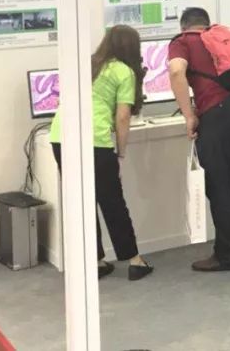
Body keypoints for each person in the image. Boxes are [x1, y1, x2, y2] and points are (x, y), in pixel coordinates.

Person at [49, 25, 153, 280]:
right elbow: (123, 117)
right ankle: (134, 260)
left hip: (61, 137)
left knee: (81, 201)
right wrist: (120, 151)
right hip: (94, 140)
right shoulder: (124, 71)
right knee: (112, 201)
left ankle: (94, 260)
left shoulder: (88, 64)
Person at [169, 8, 230, 272]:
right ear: (207, 24)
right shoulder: (227, 37)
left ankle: (227, 255)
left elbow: (176, 72)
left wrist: (188, 115)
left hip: (218, 113)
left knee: (220, 184)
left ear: (184, 26)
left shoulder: (183, 41)